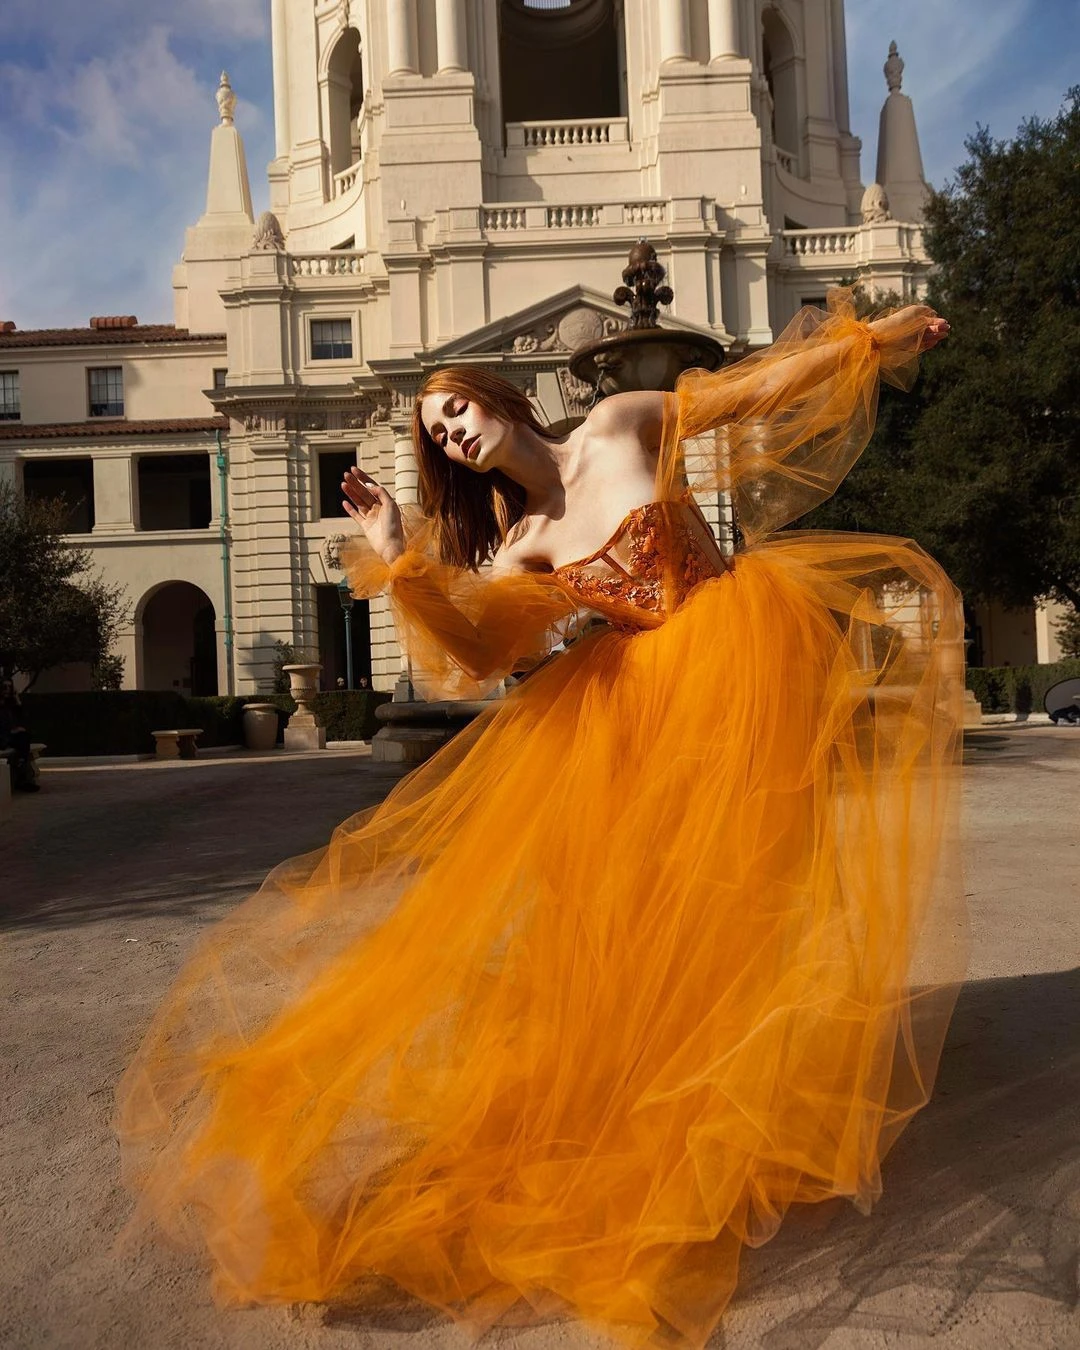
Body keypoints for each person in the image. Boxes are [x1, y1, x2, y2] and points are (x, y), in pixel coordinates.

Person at [116, 293, 966, 1347]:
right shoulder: (520, 545)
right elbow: (480, 657)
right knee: (643, 922)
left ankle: (745, 1096)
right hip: (627, 718)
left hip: (737, 653)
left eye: (456, 409)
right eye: (435, 433)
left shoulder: (620, 424)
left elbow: (747, 394)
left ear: (498, 399)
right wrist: (397, 553)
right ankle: (667, 1113)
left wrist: (869, 345)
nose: (451, 432)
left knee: (746, 895)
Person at [0, 679, 39, 793]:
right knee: (23, 741)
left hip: (9, 737)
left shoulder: (9, 705)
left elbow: (22, 716)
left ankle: (21, 767)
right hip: (3, 737)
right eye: (4, 687)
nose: (7, 690)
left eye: (9, 687)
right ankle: (23, 776)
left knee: (24, 737)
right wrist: (12, 731)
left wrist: (17, 698)